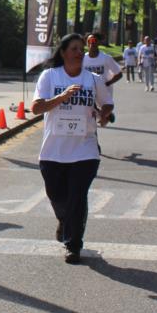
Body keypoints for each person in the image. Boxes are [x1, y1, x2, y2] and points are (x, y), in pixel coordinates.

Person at [31, 33, 113, 264]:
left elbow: (107, 103)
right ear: (63, 52)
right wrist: (63, 96)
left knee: (77, 197)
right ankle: (64, 220)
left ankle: (73, 245)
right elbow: (36, 108)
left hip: (85, 150)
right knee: (56, 195)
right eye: (74, 49)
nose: (80, 53)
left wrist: (104, 114)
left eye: (81, 49)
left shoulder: (93, 80)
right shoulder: (50, 76)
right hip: (53, 151)